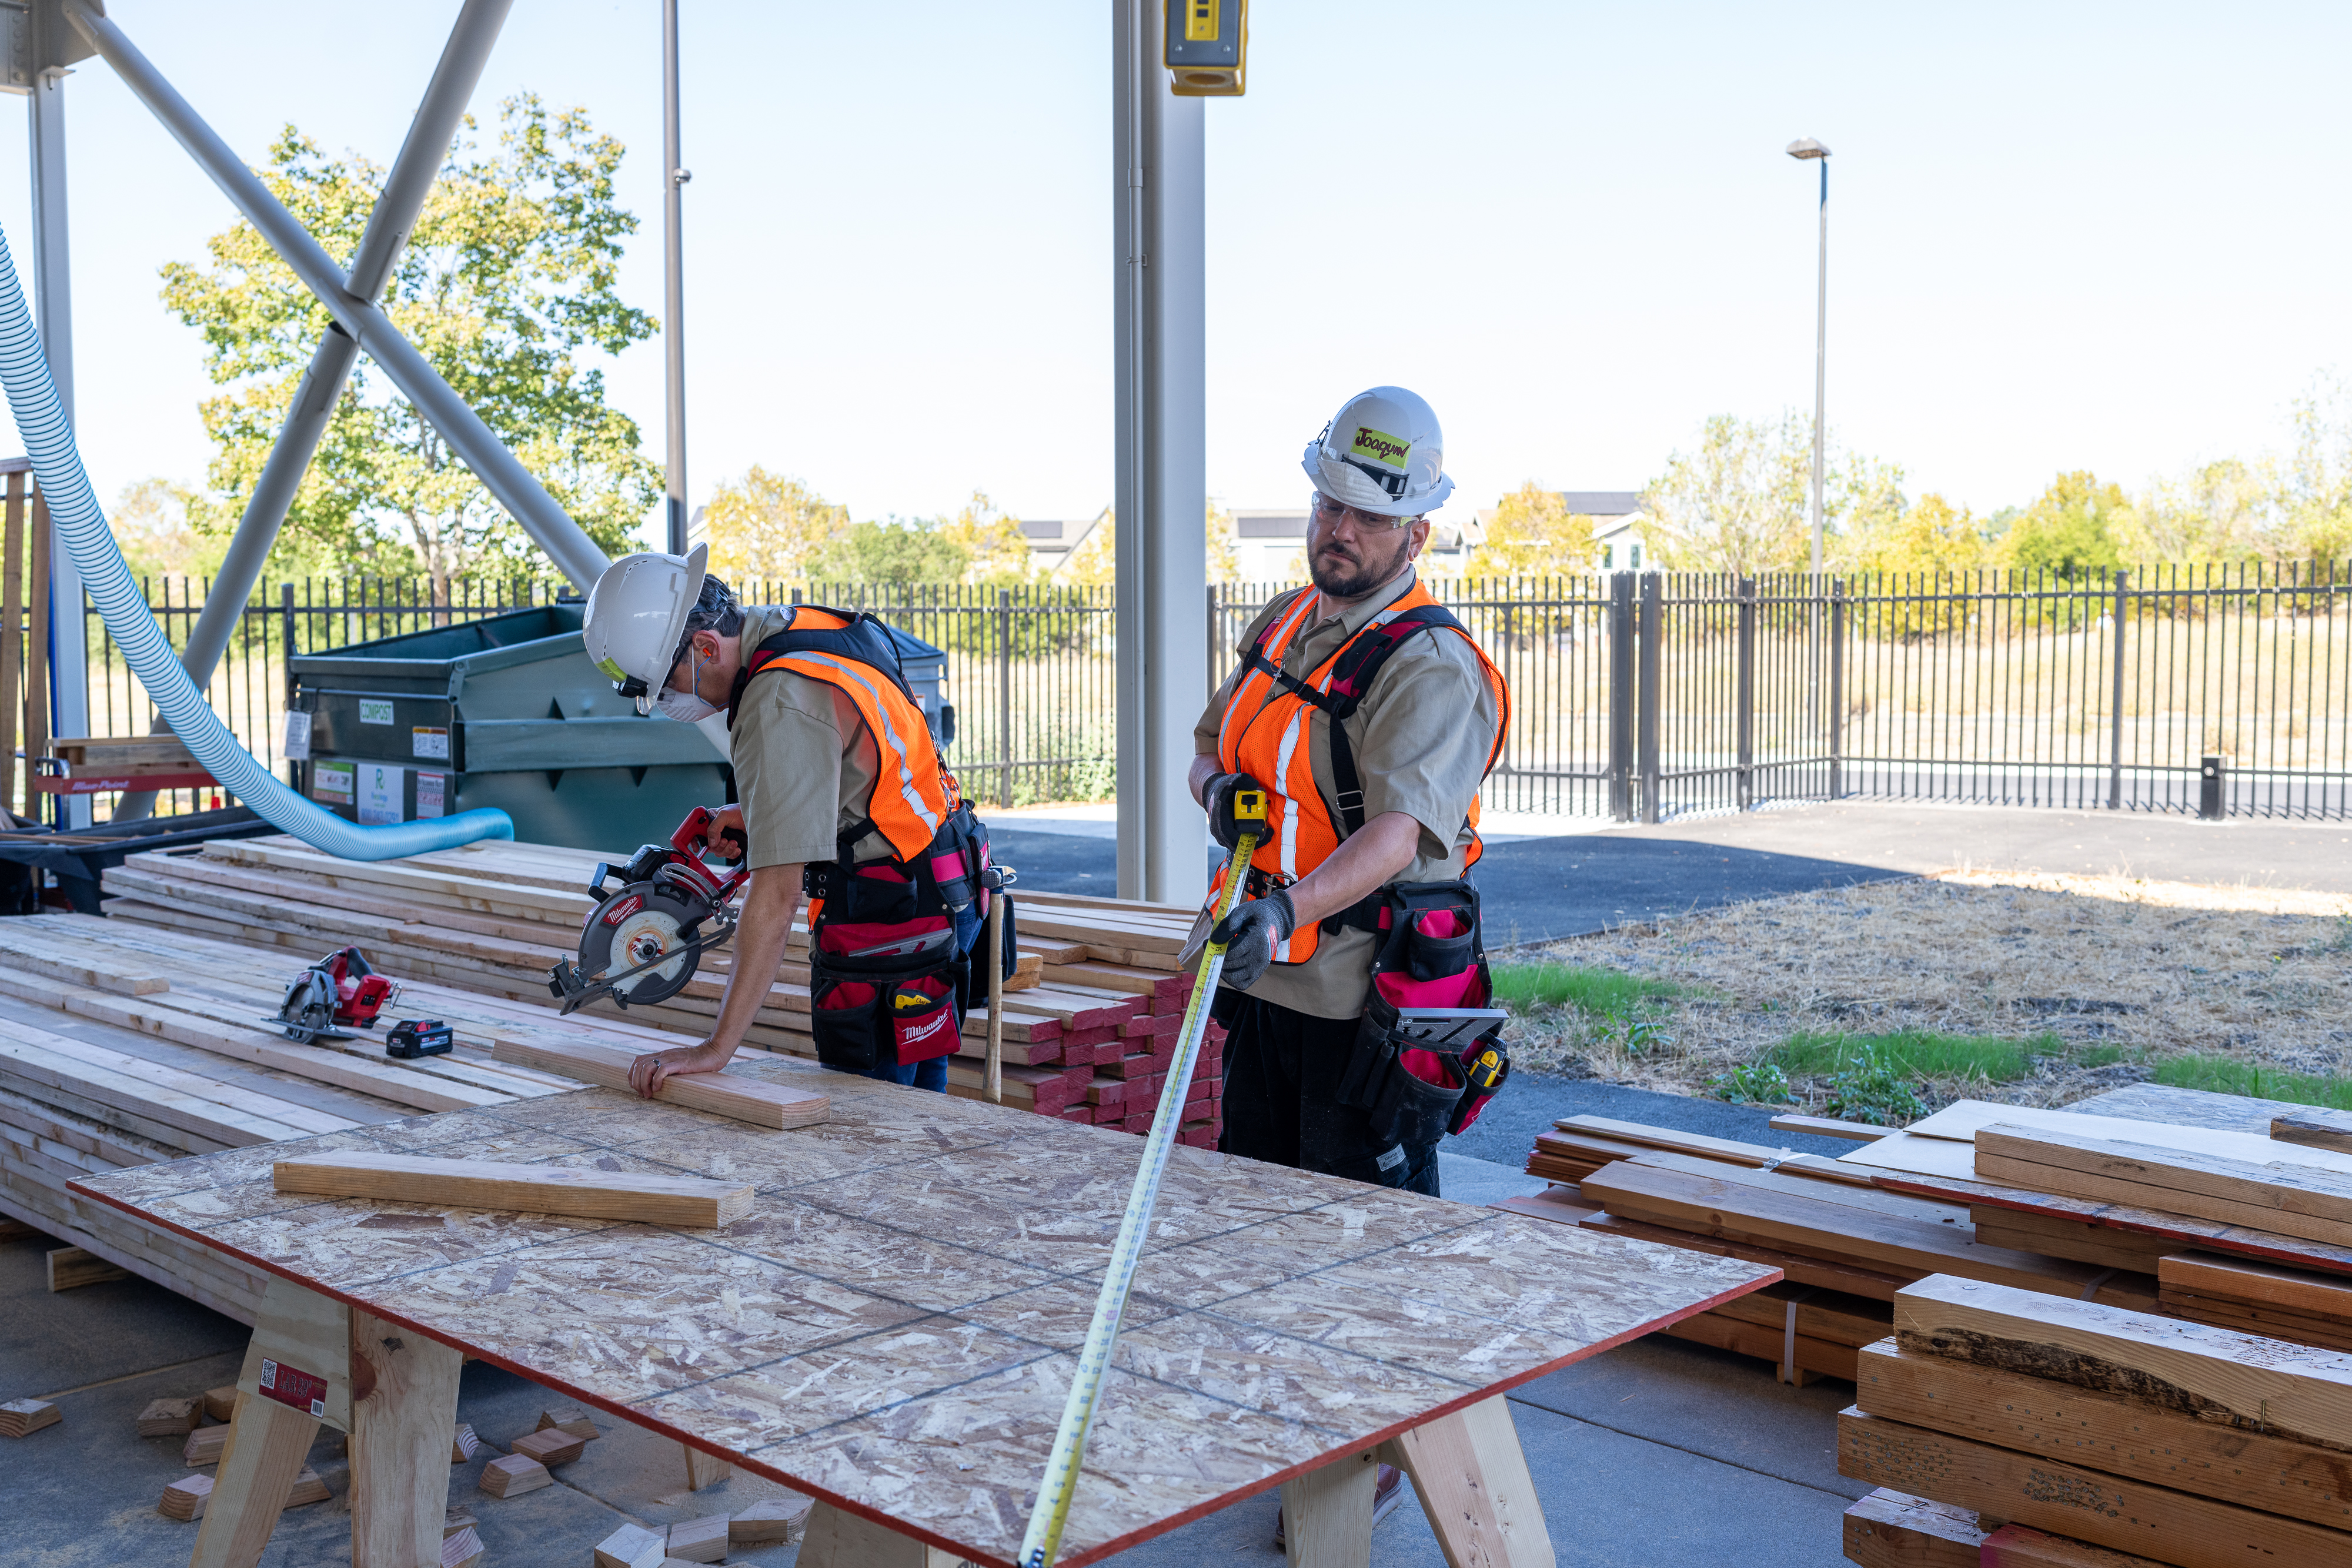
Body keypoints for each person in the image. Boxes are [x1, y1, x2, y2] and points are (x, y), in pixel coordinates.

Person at [1190, 386, 1512, 1197]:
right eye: (1331, 503)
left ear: (1417, 535)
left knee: (1362, 1246)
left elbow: (1399, 833)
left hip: (1359, 1004)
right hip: (1266, 977)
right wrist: (1220, 790)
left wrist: (1284, 910)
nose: (1340, 531)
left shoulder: (1429, 664)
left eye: (1369, 516)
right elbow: (1205, 746)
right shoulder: (1285, 622)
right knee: (1251, 1216)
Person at [578, 547, 997, 1100]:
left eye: (669, 684)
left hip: (891, 915)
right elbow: (851, 762)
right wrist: (758, 814)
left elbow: (776, 897)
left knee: (870, 1119)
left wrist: (715, 1049)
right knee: (920, 1101)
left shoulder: (776, 697)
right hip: (945, 879)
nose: (670, 700)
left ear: (705, 646)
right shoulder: (797, 627)